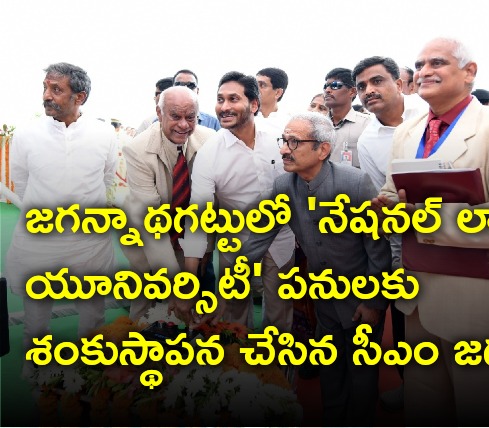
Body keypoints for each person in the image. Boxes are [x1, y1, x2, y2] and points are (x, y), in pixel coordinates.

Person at [372, 37, 489, 425]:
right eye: (418, 65)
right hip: (415, 298)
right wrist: (383, 209)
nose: (424, 71)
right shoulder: (408, 131)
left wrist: (423, 220)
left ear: (470, 72)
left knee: (480, 406)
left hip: (477, 303)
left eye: (437, 62)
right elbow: (390, 191)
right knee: (424, 404)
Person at [239, 112, 391, 425]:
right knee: (331, 369)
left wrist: (374, 302)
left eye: (294, 142)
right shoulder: (284, 185)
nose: (283, 149)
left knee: (362, 374)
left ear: (322, 150)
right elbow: (259, 237)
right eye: (284, 141)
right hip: (322, 299)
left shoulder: (354, 182)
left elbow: (378, 248)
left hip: (361, 297)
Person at [6, 62, 118, 353]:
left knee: (93, 313)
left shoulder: (103, 134)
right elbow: (21, 180)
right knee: (37, 314)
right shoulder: (26, 134)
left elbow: (107, 177)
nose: (47, 95)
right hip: (40, 238)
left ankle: (90, 369)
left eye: (56, 89)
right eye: (45, 87)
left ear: (79, 97)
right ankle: (36, 365)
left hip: (89, 240)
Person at [183, 71, 295, 332]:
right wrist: (188, 281)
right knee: (233, 318)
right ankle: (237, 371)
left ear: (254, 105)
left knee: (280, 317)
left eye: (233, 99)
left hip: (281, 237)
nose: (224, 107)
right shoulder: (209, 153)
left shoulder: (281, 139)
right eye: (220, 99)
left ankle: (276, 371)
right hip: (235, 241)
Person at [352, 55, 428, 412]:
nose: (370, 91)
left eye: (377, 81)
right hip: (404, 241)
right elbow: (380, 199)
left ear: (400, 84)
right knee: (405, 320)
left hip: (461, 233)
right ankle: (411, 383)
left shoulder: (429, 112)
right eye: (363, 86)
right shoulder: (367, 141)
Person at [120, 86, 216, 321]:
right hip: (147, 235)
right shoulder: (137, 150)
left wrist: (205, 249)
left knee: (193, 308)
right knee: (146, 300)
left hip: (189, 235)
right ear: (159, 113)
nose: (184, 125)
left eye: (190, 117)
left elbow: (207, 205)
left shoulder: (211, 142)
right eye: (175, 116)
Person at [323, 67, 370, 168]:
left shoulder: (367, 125)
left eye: (334, 85)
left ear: (352, 92)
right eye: (325, 86)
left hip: (354, 182)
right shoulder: (317, 125)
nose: (327, 90)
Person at [256, 67, 291, 134]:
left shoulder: (288, 123)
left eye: (262, 85)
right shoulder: (243, 117)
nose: (255, 89)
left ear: (278, 93)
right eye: (255, 84)